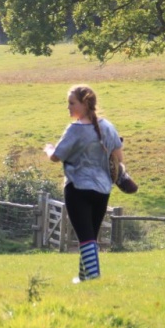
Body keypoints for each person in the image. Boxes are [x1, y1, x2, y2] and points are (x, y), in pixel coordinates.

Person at [44, 84, 123, 283]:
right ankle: (83, 277)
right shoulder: (108, 126)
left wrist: (48, 149)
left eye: (72, 103)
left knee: (85, 237)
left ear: (84, 103)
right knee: (90, 236)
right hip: (103, 189)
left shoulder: (75, 129)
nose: (68, 107)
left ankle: (94, 276)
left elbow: (56, 157)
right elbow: (118, 156)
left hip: (77, 188)